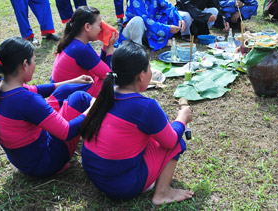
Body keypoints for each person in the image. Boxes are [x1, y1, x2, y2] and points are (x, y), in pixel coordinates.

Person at [80, 42, 193, 203]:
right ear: (141, 75)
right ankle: (163, 193)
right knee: (176, 139)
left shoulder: (107, 94)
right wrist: (182, 117)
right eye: (149, 68)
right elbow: (170, 140)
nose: (151, 72)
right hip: (122, 186)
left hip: (95, 175)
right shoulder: (146, 107)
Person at [0, 37, 93, 177]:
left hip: (25, 162)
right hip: (44, 163)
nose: (35, 64)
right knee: (79, 98)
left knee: (65, 89)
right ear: (25, 64)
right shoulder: (27, 100)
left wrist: (73, 81)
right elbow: (66, 131)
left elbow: (37, 89)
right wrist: (91, 108)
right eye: (34, 60)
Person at [51, 6, 116, 98]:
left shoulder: (77, 41)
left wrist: (105, 46)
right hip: (68, 98)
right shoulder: (80, 49)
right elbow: (108, 76)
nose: (102, 29)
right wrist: (110, 49)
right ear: (87, 27)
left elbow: (100, 67)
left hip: (65, 93)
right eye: (99, 25)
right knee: (118, 85)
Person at [119, 0, 185, 51]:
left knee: (169, 14)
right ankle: (137, 47)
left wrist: (179, 18)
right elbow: (146, 20)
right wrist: (167, 28)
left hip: (149, 27)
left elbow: (167, 6)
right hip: (134, 29)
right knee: (138, 21)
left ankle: (150, 41)